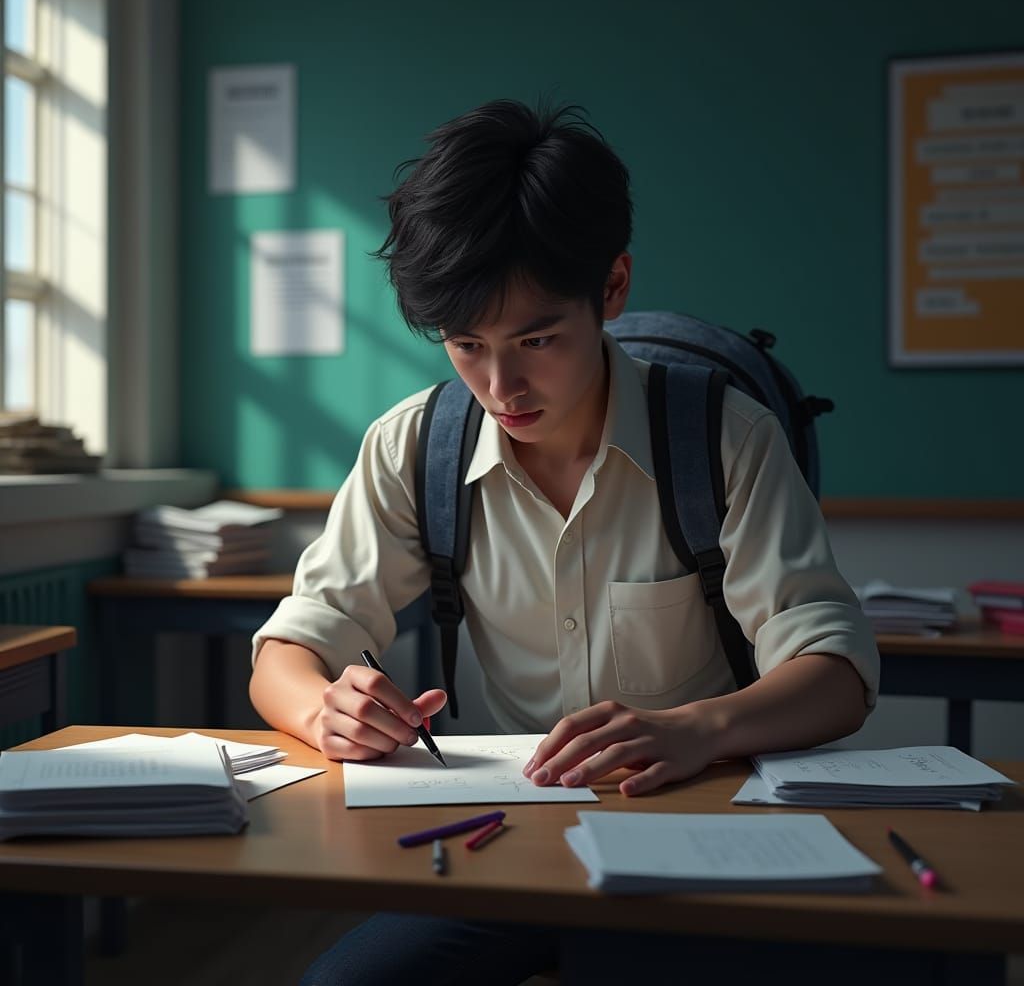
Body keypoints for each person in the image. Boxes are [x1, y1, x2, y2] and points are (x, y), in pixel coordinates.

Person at [249, 98, 879, 986]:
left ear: (613, 287)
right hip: (498, 846)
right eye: (466, 345)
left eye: (536, 339)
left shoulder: (721, 439)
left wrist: (701, 728)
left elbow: (839, 673)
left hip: (703, 839)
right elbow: (290, 646)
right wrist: (325, 710)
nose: (501, 385)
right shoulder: (413, 447)